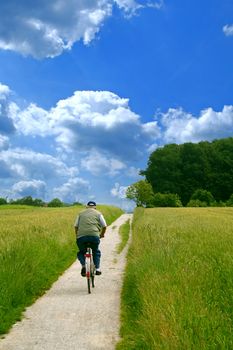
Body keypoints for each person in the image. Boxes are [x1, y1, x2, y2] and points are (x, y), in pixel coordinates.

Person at [74, 201, 107, 276]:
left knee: (81, 252)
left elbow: (76, 226)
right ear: (95, 207)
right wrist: (102, 234)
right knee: (96, 251)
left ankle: (83, 266)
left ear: (86, 207)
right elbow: (104, 226)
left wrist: (77, 235)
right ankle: (98, 269)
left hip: (81, 237)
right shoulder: (98, 213)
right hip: (94, 236)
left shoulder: (80, 213)